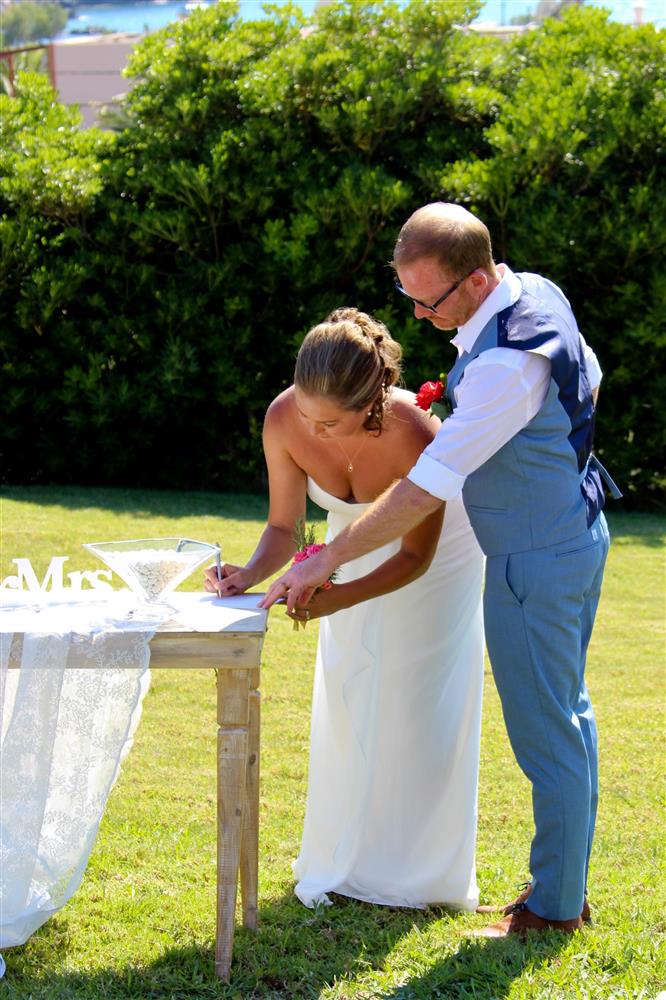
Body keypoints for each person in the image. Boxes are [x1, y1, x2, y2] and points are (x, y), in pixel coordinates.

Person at [262, 203, 618, 937]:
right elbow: (593, 375)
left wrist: (329, 555)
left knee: (548, 732)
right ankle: (562, 891)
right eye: (409, 297)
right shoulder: (535, 296)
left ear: (478, 279)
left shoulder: (503, 368)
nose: (420, 316)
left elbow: (428, 486)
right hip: (572, 532)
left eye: (430, 300)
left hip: (535, 556)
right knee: (567, 721)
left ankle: (553, 911)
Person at [205, 307, 485, 910]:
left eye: (330, 422)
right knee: (353, 692)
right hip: (341, 552)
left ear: (373, 405)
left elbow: (415, 556)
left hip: (436, 561)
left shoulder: (414, 430)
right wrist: (249, 573)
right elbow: (285, 525)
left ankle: (420, 876)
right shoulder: (284, 419)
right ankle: (346, 861)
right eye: (306, 413)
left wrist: (336, 596)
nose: (314, 429)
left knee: (417, 704)